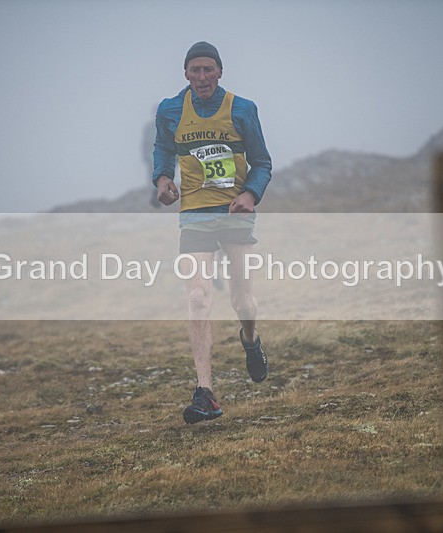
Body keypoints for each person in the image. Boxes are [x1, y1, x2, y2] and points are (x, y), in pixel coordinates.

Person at [152, 41, 273, 424]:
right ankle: (206, 392)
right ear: (185, 73)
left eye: (208, 69)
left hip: (235, 213)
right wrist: (161, 179)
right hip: (195, 216)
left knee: (243, 301)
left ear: (220, 72)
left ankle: (250, 340)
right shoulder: (170, 110)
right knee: (198, 297)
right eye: (195, 70)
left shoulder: (242, 109)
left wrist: (251, 194)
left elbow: (262, 163)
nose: (202, 77)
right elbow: (162, 149)